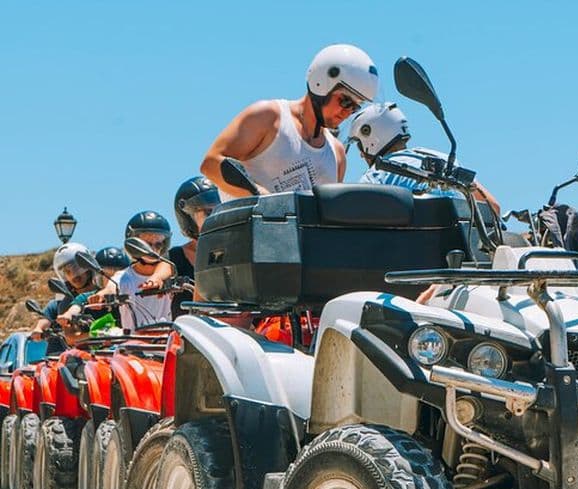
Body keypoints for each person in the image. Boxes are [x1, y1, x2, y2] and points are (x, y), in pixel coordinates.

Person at [201, 44, 379, 200]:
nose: (348, 112)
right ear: (321, 84)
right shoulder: (268, 117)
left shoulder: (337, 154)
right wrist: (260, 196)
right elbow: (211, 164)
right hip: (247, 237)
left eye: (356, 107)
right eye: (345, 101)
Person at [348, 102, 501, 214]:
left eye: (359, 146)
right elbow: (494, 207)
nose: (361, 154)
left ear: (371, 139)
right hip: (465, 253)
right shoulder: (444, 161)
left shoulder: (376, 176)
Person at [89, 211, 174, 331]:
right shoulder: (124, 276)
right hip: (134, 344)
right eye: (147, 244)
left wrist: (156, 278)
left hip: (166, 343)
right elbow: (113, 286)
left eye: (159, 244)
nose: (154, 249)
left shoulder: (168, 269)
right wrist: (103, 295)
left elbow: (166, 268)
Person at [169, 176, 221, 317]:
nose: (216, 217)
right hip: (192, 334)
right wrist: (156, 280)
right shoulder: (175, 258)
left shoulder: (237, 249)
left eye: (220, 210)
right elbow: (159, 271)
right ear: (188, 217)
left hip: (235, 332)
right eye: (208, 212)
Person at [30, 242, 98, 349]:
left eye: (77, 268)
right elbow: (70, 337)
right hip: (81, 357)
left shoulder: (106, 293)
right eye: (67, 272)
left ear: (88, 266)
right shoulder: (65, 302)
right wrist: (39, 328)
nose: (74, 275)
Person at [56, 246, 130, 327]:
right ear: (98, 276)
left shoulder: (134, 293)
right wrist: (69, 315)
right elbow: (77, 306)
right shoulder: (89, 296)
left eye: (120, 276)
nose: (113, 279)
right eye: (108, 275)